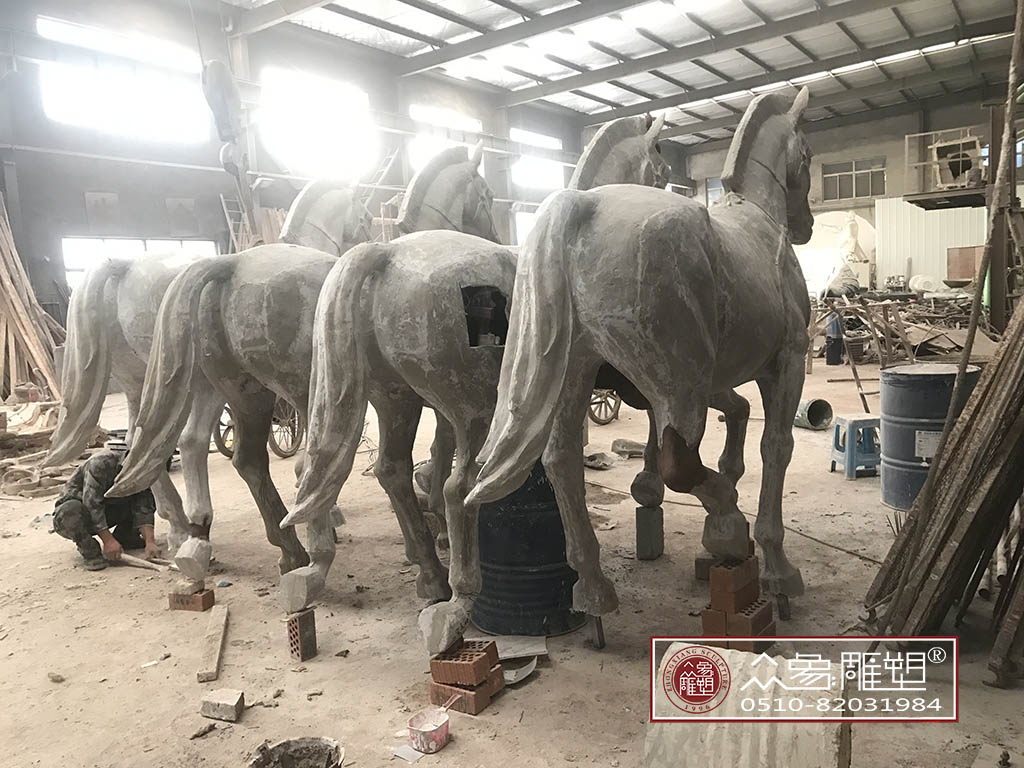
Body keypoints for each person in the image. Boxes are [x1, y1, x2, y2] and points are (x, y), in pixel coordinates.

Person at [52, 448, 160, 570]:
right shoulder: (100, 463)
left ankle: (125, 536)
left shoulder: (141, 472)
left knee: (146, 497)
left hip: (108, 508)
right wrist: (108, 541)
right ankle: (90, 552)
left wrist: (150, 542)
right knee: (70, 511)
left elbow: (144, 504)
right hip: (77, 516)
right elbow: (92, 504)